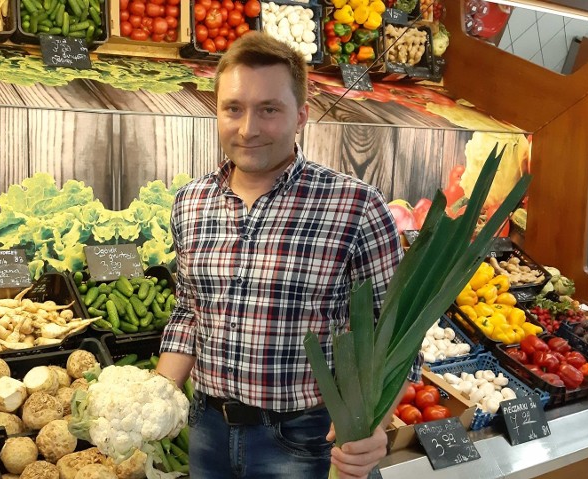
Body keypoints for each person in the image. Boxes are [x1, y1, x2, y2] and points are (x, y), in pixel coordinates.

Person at [156, 32, 421, 479]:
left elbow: (394, 336)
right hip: (207, 430)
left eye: (269, 110)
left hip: (305, 438)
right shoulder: (190, 202)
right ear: (215, 110)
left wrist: (372, 422)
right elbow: (189, 311)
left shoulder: (356, 206)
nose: (248, 128)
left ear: (301, 115)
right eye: (233, 108)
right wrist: (155, 395)